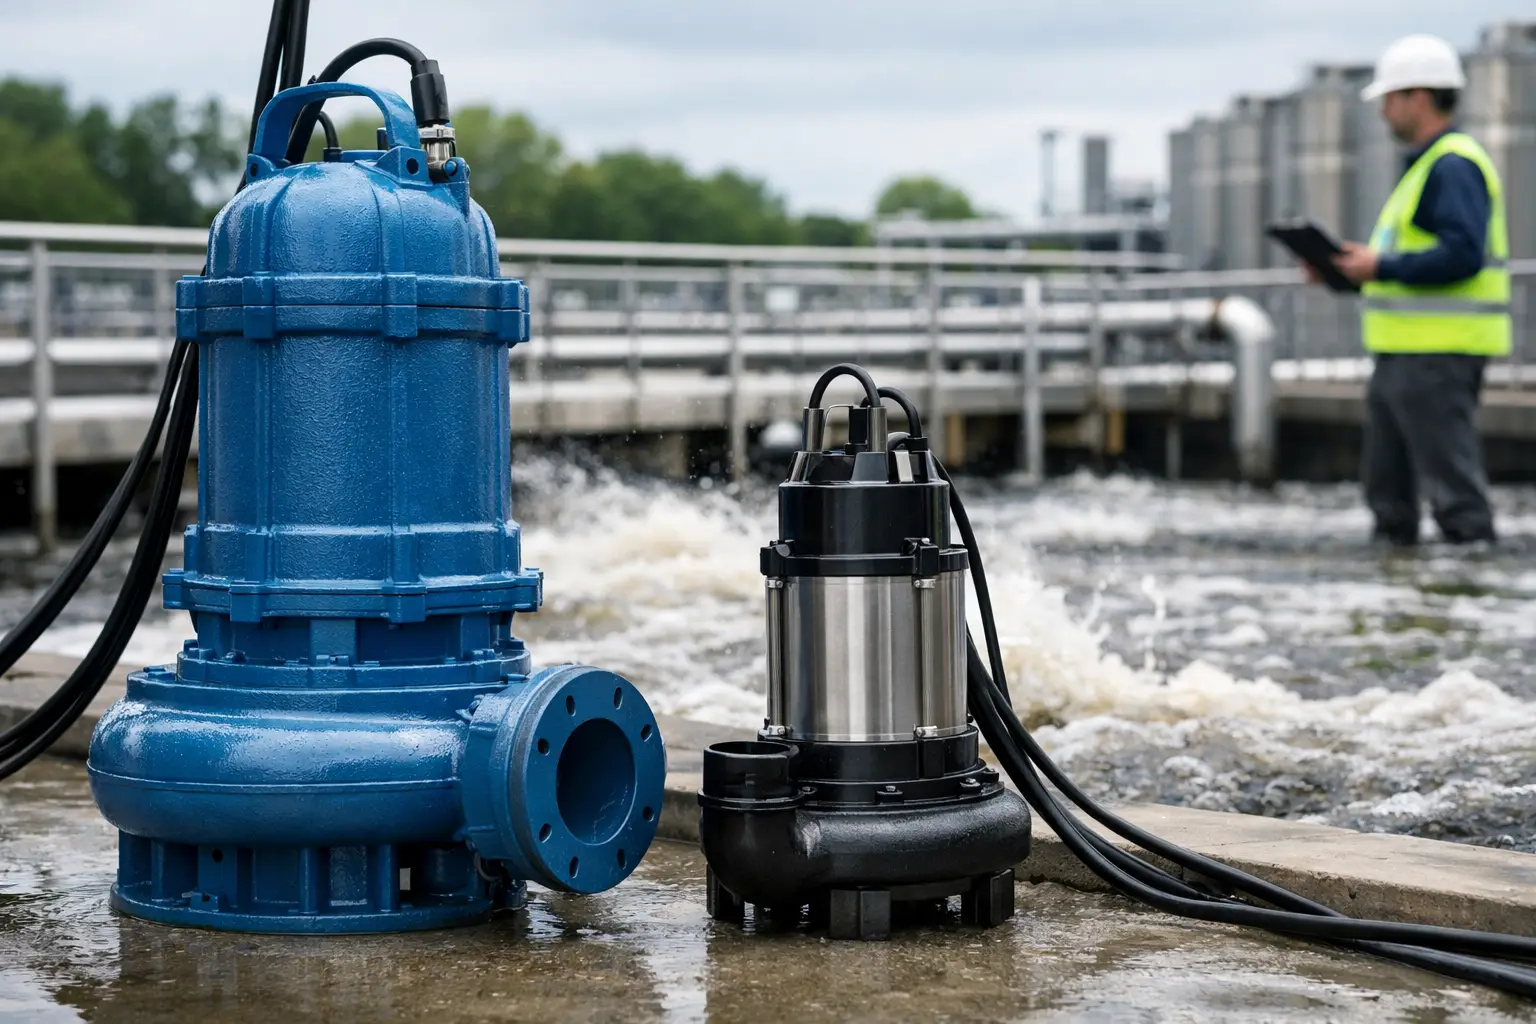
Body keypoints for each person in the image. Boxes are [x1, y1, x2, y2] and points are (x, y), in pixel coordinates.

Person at [1310, 34, 1511, 546]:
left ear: (1418, 97)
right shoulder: (1427, 166)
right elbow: (1406, 268)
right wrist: (1348, 272)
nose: (1383, 112)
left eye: (1389, 99)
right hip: (1405, 355)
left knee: (1455, 498)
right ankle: (1399, 588)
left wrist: (1380, 264)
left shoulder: (1453, 165)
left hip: (1437, 356)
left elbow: (1462, 255)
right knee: (1389, 498)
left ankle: (1472, 587)